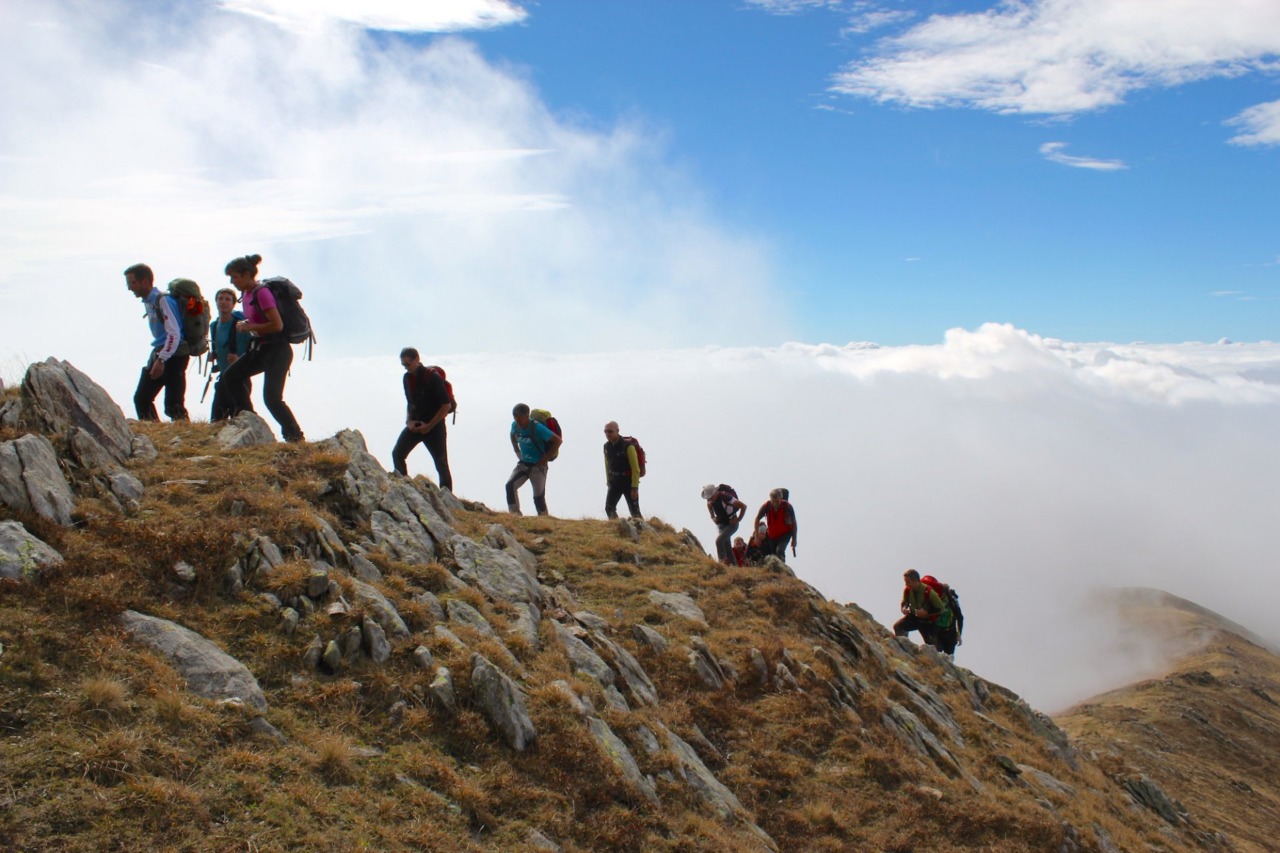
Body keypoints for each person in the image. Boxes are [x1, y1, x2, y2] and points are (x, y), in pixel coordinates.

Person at [210, 254, 305, 442]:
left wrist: (249, 327)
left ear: (246, 275)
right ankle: (249, 419)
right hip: (261, 349)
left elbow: (277, 325)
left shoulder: (261, 293)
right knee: (230, 376)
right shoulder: (245, 295)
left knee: (272, 399)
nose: (232, 281)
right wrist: (249, 323)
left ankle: (295, 437)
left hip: (277, 350)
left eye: (235, 277)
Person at [125, 263, 190, 421]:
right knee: (142, 399)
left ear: (145, 281)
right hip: (161, 352)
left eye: (132, 283)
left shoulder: (163, 300)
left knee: (174, 406)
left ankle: (186, 439)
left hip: (174, 355)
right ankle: (152, 438)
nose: (129, 288)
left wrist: (161, 359)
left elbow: (174, 333)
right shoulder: (149, 301)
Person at [391, 348, 453, 491]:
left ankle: (448, 501)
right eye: (404, 365)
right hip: (416, 425)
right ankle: (404, 489)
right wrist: (409, 421)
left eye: (409, 363)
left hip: (435, 427)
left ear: (417, 359)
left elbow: (446, 406)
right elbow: (410, 402)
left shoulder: (432, 377)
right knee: (397, 453)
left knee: (441, 464)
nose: (407, 367)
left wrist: (430, 426)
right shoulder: (407, 378)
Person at [506, 403, 562, 515]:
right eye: (515, 418)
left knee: (538, 498)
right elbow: (512, 436)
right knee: (510, 486)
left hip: (538, 467)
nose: (518, 421)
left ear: (527, 416)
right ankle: (514, 515)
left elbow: (558, 441)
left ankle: (545, 521)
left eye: (520, 418)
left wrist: (545, 458)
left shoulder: (538, 428)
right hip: (523, 464)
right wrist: (517, 451)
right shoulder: (515, 425)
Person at [208, 287, 252, 421]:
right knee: (216, 419)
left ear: (233, 304)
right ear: (215, 302)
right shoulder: (214, 326)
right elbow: (219, 345)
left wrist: (240, 359)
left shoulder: (241, 326)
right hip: (223, 377)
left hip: (240, 378)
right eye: (220, 299)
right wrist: (214, 354)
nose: (223, 302)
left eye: (228, 299)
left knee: (239, 418)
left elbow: (254, 348)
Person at [893, 569, 948, 646]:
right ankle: (903, 647)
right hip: (914, 617)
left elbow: (941, 608)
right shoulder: (908, 590)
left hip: (928, 623)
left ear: (915, 581)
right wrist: (904, 608)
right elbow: (905, 602)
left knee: (932, 647)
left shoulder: (929, 592)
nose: (906, 584)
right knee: (898, 627)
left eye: (908, 582)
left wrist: (927, 613)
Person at [602, 421, 641, 519]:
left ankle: (642, 532)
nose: (607, 434)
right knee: (609, 508)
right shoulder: (606, 447)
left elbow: (635, 469)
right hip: (615, 482)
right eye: (605, 432)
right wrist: (609, 481)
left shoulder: (628, 446)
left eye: (610, 431)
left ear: (617, 431)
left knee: (635, 511)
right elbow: (607, 465)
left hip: (628, 483)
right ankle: (618, 527)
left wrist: (634, 487)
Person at [702, 483, 746, 565]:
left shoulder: (726, 497)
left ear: (715, 492)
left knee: (719, 541)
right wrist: (712, 517)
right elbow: (709, 506)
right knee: (727, 547)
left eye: (711, 496)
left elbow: (743, 506)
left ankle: (721, 564)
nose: (710, 499)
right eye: (708, 497)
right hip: (721, 525)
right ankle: (734, 567)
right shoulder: (710, 500)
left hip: (731, 524)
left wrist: (738, 519)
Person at [753, 488, 798, 562]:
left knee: (779, 551)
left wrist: (794, 539)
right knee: (773, 555)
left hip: (785, 533)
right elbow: (757, 519)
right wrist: (756, 536)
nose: (775, 504)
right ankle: (775, 571)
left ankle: (782, 570)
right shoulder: (766, 506)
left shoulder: (788, 506)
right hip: (772, 535)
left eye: (777, 501)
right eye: (773, 501)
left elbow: (794, 523)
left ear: (781, 498)